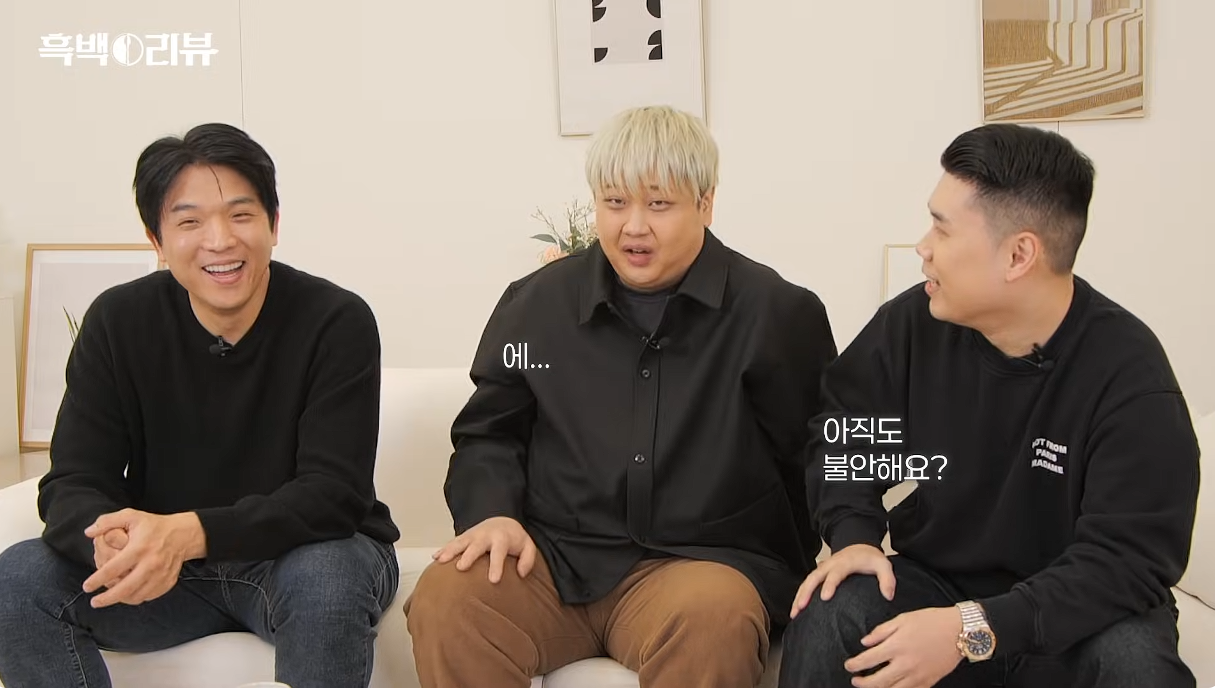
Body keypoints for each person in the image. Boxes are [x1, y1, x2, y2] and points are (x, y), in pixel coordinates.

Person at [404, 105, 838, 688]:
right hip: (551, 560)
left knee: (715, 617)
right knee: (448, 599)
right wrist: (493, 514)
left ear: (706, 202)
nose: (633, 226)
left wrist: (835, 541)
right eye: (614, 202)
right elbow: (490, 432)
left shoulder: (777, 314)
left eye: (658, 204)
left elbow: (818, 451)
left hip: (699, 567)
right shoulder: (537, 307)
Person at [778, 123, 1200, 688]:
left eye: (942, 229)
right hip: (940, 587)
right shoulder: (914, 327)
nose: (923, 247)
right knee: (832, 609)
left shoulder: (1128, 374)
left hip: (1075, 617)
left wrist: (970, 630)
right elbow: (848, 430)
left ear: (1019, 254)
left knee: (1136, 663)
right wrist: (854, 534)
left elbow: (1124, 563)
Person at [0, 123, 401, 688]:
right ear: (157, 240)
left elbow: (333, 497)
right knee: (18, 578)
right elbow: (74, 480)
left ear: (274, 224)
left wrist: (189, 533)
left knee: (327, 576)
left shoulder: (335, 320)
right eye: (189, 222)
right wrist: (111, 544)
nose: (220, 241)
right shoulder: (118, 322)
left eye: (241, 215)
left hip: (300, 556)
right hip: (167, 575)